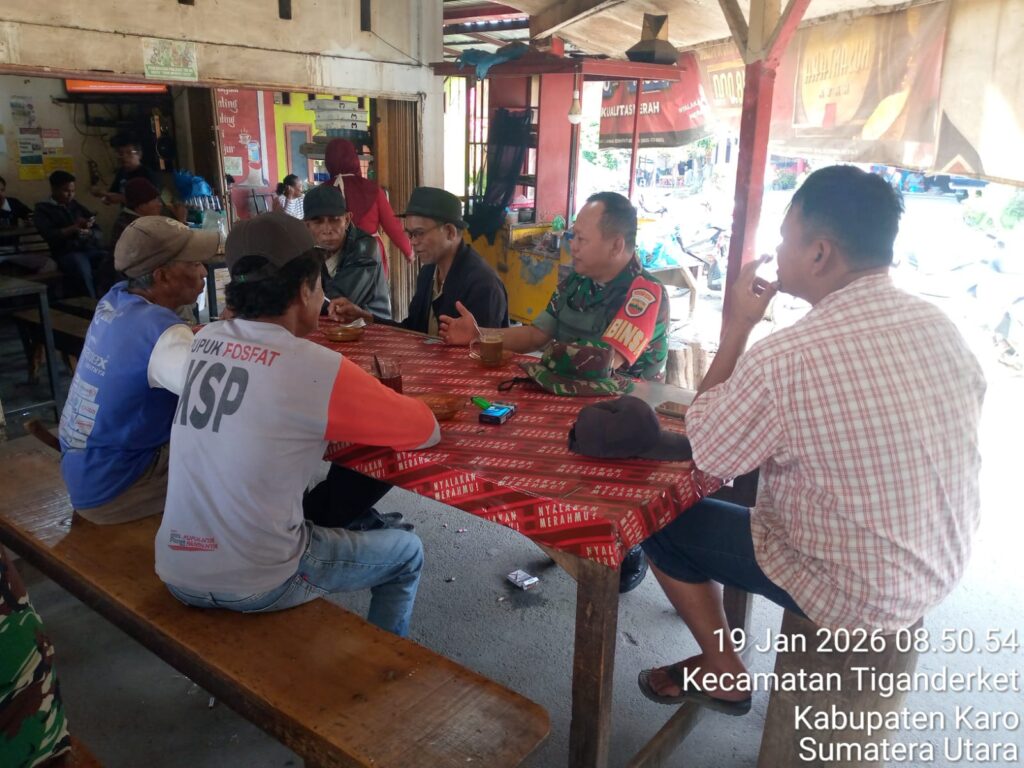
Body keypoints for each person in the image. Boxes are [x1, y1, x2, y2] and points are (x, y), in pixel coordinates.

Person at [636, 167, 985, 719]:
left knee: (661, 519)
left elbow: (709, 449)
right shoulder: (938, 325)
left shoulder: (788, 357)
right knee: (748, 497)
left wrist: (738, 326)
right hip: (938, 563)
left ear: (819, 253)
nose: (777, 251)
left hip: (856, 590)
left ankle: (723, 669)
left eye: (784, 237)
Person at [155, 212, 439, 637]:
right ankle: (390, 666)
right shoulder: (313, 366)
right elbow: (424, 430)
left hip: (177, 566)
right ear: (305, 290)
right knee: (407, 551)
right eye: (320, 285)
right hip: (259, 578)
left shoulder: (203, 342)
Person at [437, 191, 668, 593]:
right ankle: (566, 532)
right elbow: (535, 334)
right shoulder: (577, 281)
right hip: (569, 397)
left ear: (617, 245)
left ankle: (629, 547)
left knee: (602, 485)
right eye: (572, 236)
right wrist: (479, 335)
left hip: (624, 415)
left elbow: (604, 361)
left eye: (581, 238)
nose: (571, 245)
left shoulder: (644, 292)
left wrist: (546, 358)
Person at [57, 217, 218, 523]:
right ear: (162, 276)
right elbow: (219, 402)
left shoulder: (114, 299)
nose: (203, 272)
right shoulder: (162, 333)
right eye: (194, 263)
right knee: (241, 454)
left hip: (84, 469)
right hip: (118, 486)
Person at [327, 187, 508, 336]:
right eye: (410, 234)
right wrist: (365, 318)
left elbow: (483, 354)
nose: (412, 242)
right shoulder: (429, 272)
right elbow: (414, 331)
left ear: (450, 232)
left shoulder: (483, 285)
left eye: (419, 233)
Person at [303, 183, 391, 319]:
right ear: (306, 226)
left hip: (372, 325)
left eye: (334, 220)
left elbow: (337, 303)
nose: (327, 230)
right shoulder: (307, 248)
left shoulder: (365, 247)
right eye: (318, 222)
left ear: (347, 219)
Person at [325, 138, 412, 275]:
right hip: (371, 254)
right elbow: (391, 223)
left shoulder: (323, 192)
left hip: (337, 255)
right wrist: (408, 250)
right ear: (354, 159)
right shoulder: (372, 189)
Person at [33, 170, 105, 298]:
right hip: (66, 252)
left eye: (73, 191)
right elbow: (50, 235)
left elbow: (98, 231)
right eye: (66, 191)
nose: (70, 194)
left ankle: (114, 302)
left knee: (115, 262)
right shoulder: (43, 209)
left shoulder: (75, 205)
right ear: (54, 189)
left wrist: (89, 231)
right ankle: (91, 304)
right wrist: (74, 228)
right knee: (82, 269)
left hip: (89, 249)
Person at [94, 132, 162, 207]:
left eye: (129, 152)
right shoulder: (121, 172)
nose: (124, 156)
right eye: (120, 153)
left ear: (139, 154)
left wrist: (122, 198)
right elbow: (112, 196)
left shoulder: (148, 175)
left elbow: (152, 201)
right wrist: (103, 195)